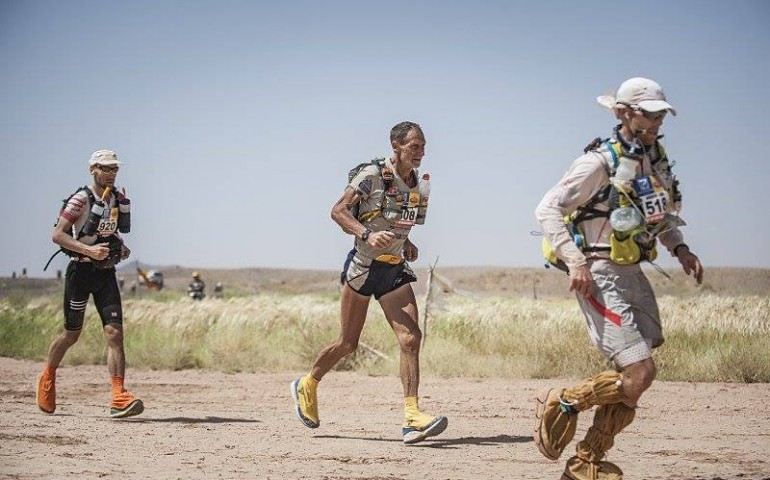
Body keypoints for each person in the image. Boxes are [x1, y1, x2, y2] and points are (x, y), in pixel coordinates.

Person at [533, 78, 704, 479]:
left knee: (636, 379)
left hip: (632, 274)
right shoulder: (598, 162)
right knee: (640, 371)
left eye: (662, 112)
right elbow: (546, 210)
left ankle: (585, 461)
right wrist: (575, 261)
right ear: (625, 113)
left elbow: (657, 217)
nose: (659, 119)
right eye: (651, 111)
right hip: (599, 273)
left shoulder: (654, 160)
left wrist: (680, 248)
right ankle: (563, 404)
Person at [290, 121, 447, 445]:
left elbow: (403, 219)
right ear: (396, 146)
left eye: (423, 146)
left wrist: (406, 242)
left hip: (393, 271)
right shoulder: (371, 175)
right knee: (348, 343)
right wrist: (367, 234)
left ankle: (412, 418)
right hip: (363, 268)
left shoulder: (419, 183)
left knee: (411, 338)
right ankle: (307, 383)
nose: (420, 153)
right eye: (413, 146)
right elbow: (338, 211)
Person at [36, 149, 143, 419]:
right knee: (72, 334)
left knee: (115, 334)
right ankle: (47, 376)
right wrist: (88, 252)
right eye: (105, 168)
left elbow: (109, 230)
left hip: (105, 274)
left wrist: (120, 246)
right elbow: (57, 235)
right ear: (92, 169)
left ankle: (119, 396)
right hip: (80, 274)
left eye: (114, 168)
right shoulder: (80, 200)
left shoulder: (117, 198)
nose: (110, 173)